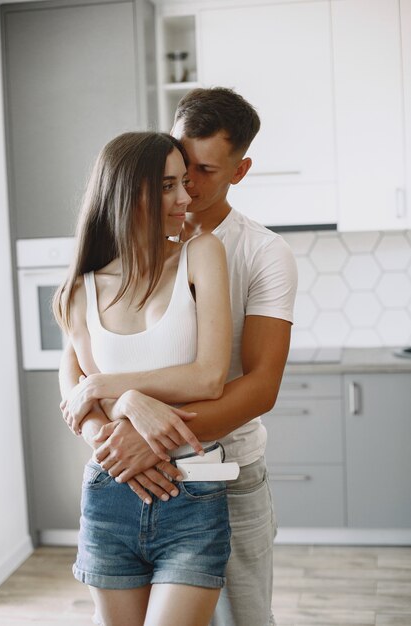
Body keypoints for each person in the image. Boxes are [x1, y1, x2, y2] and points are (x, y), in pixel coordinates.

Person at [61, 88, 298, 626]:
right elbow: (78, 366)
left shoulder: (258, 252)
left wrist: (141, 429)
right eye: (177, 167)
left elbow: (257, 386)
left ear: (240, 171)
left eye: (204, 171)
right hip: (122, 471)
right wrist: (108, 430)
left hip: (223, 471)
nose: (187, 185)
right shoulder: (111, 262)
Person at [54, 131, 235, 626]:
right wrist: (128, 401)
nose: (185, 197)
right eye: (166, 186)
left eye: (184, 183)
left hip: (192, 489)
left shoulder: (201, 254)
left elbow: (208, 376)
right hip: (112, 489)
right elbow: (78, 401)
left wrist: (109, 386)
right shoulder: (79, 290)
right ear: (125, 193)